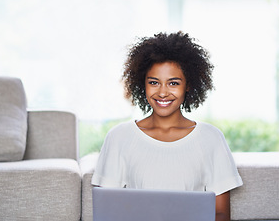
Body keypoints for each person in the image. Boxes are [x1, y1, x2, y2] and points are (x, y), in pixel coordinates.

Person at [91, 31, 243, 221]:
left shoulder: (211, 138)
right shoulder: (119, 137)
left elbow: (220, 213)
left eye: (173, 83)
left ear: (188, 85)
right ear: (142, 84)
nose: (162, 92)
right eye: (154, 82)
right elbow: (108, 211)